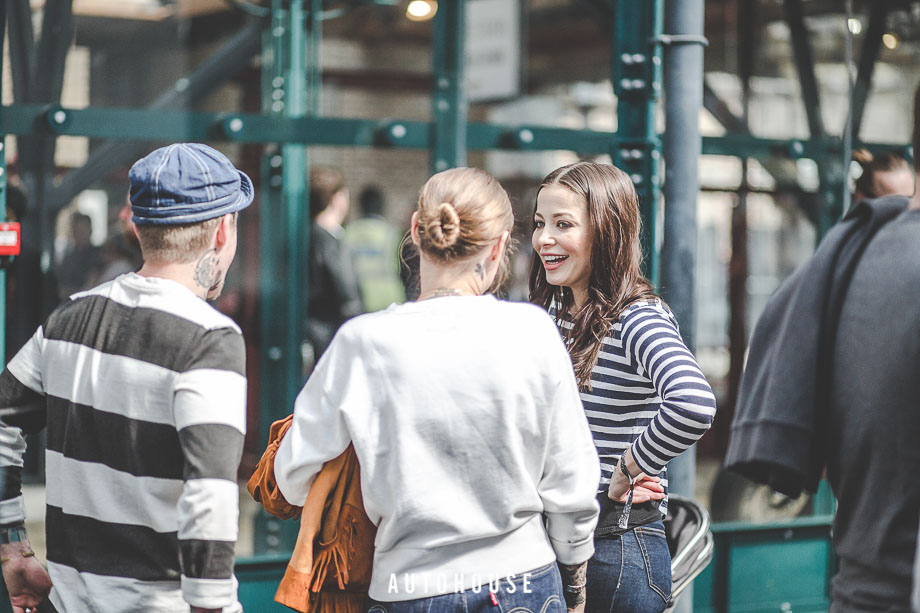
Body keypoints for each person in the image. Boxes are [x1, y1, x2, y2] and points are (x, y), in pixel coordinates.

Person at [274, 167, 601, 613]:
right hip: (524, 583)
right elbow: (570, 482)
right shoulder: (532, 330)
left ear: (414, 231)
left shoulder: (363, 342)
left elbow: (291, 478)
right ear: (501, 245)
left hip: (408, 589)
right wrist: (576, 584)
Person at [0, 143, 251, 613]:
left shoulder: (67, 319)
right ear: (222, 230)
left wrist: (12, 548)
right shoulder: (210, 338)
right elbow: (209, 498)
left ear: (138, 226)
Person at [529, 161, 716, 613]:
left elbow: (693, 402)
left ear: (607, 231)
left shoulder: (636, 316)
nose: (543, 239)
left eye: (563, 224)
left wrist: (628, 467)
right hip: (559, 542)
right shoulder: (555, 312)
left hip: (617, 548)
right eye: (539, 223)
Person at [306, 166, 363, 361]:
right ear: (337, 199)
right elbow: (348, 299)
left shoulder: (304, 237)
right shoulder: (332, 243)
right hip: (330, 339)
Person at [344, 186, 406, 311]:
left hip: (355, 300)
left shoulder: (347, 232)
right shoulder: (392, 233)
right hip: (388, 301)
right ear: (382, 207)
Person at [55, 212, 101, 300]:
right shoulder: (68, 257)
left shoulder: (98, 255)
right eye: (75, 230)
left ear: (90, 231)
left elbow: (92, 283)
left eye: (82, 230)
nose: (78, 234)